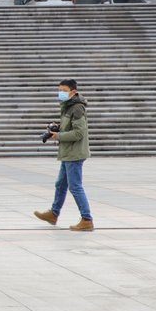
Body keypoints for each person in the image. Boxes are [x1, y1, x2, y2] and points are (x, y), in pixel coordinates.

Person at [34, 79, 94, 232]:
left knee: (75, 186)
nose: (60, 93)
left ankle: (87, 219)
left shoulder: (77, 108)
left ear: (73, 92)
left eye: (64, 90)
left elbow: (79, 133)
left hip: (74, 153)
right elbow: (70, 127)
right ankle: (53, 214)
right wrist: (58, 128)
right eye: (59, 90)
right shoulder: (67, 106)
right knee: (61, 184)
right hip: (68, 152)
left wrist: (59, 136)